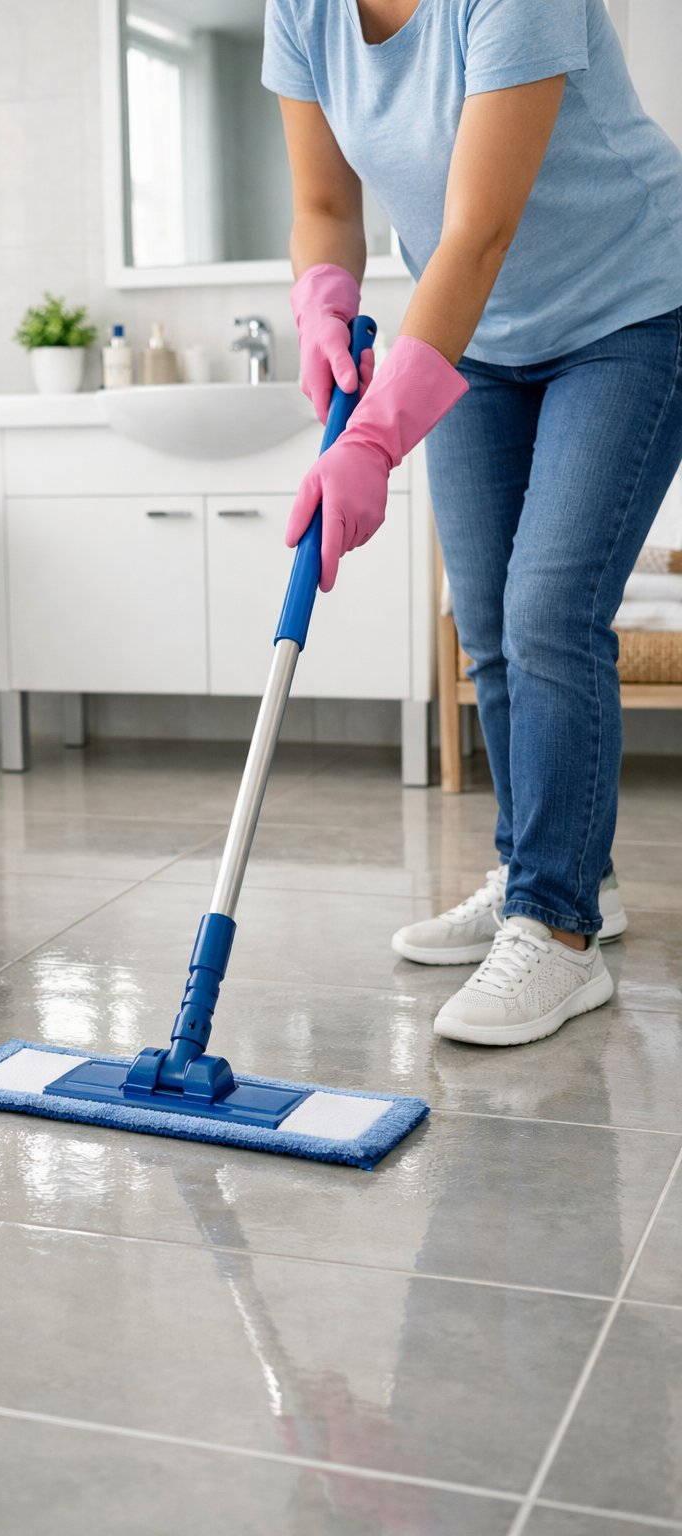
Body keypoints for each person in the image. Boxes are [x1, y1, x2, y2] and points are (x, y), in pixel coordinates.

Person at [263, 0, 682, 1046]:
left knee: (549, 608)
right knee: (488, 618)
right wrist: (321, 299)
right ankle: (555, 871)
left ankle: (557, 928)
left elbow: (479, 228)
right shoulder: (300, 10)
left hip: (631, 310)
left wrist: (373, 441)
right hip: (481, 337)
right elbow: (322, 200)